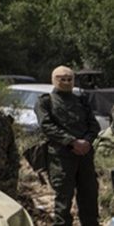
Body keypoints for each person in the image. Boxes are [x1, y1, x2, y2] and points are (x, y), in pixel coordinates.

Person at [37, 65, 101, 226]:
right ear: (54, 80)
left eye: (69, 79)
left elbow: (94, 125)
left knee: (89, 195)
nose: (66, 82)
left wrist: (86, 141)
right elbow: (47, 126)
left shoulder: (81, 101)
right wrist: (72, 142)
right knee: (63, 199)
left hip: (85, 156)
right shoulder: (46, 101)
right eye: (62, 79)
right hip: (61, 157)